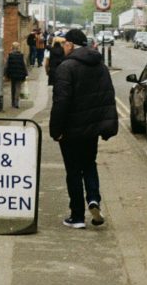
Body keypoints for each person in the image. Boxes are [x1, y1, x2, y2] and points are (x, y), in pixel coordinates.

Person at [49, 28, 118, 229]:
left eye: (64, 44)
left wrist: (56, 130)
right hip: (92, 130)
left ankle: (77, 216)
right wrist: (107, 126)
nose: (62, 47)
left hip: (70, 130)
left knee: (73, 171)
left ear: (70, 44)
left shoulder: (66, 67)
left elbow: (61, 101)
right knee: (89, 164)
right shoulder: (100, 66)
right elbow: (108, 96)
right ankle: (94, 199)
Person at [5, 41, 28, 109]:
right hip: (20, 74)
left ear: (12, 47)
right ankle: (16, 102)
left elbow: (6, 66)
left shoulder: (10, 55)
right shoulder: (21, 55)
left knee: (13, 88)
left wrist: (5, 74)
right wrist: (26, 73)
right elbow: (24, 65)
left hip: (12, 74)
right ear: (18, 48)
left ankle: (13, 103)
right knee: (18, 88)